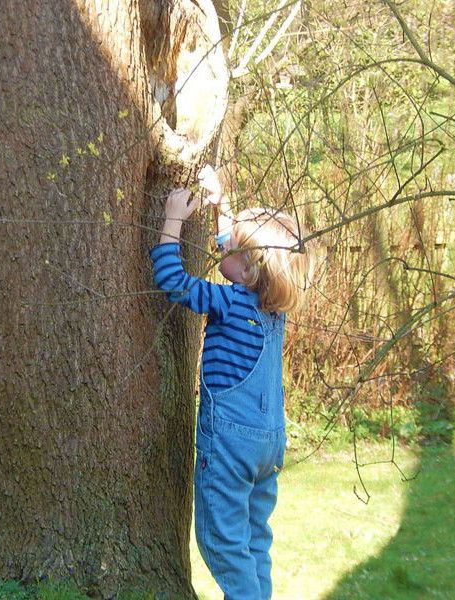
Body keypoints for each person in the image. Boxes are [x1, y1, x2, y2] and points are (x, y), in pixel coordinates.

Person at [149, 166, 315, 600]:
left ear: (246, 270)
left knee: (221, 541)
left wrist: (172, 222)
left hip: (231, 445)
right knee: (254, 538)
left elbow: (173, 281)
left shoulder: (228, 299)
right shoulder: (271, 310)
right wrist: (221, 204)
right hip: (269, 445)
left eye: (232, 245)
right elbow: (237, 251)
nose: (221, 244)